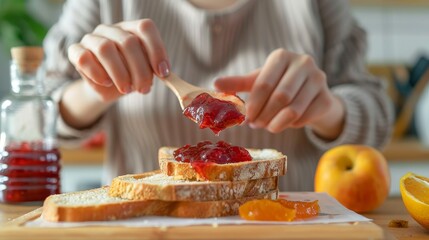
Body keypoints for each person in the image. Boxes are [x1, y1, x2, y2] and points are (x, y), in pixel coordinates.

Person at [43, 0, 393, 191]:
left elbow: (379, 120)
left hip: (284, 229)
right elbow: (36, 118)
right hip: (143, 229)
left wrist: (328, 110)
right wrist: (93, 90)